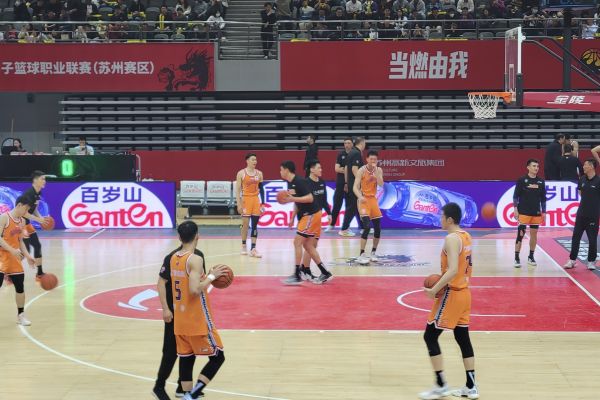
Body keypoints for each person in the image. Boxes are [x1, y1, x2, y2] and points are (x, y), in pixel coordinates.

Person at [158, 221, 228, 400]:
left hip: (180, 321)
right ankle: (194, 393)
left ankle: (187, 395)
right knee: (218, 357)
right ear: (197, 235)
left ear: (179, 237)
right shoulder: (195, 259)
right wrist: (212, 276)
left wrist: (205, 276)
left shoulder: (173, 258)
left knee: (186, 358)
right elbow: (195, 290)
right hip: (196, 319)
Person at [419, 202, 479, 400]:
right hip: (465, 294)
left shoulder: (451, 239)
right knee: (462, 338)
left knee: (430, 336)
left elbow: (452, 270)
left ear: (450, 219)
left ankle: (441, 385)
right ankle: (471, 387)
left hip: (452, 294)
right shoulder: (466, 236)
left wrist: (434, 289)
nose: (440, 219)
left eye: (442, 216)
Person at [155, 245, 205, 400]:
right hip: (174, 312)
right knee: (170, 352)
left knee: (189, 351)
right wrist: (165, 309)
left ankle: (182, 387)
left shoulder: (198, 256)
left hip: (190, 313)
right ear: (197, 236)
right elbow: (161, 283)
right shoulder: (172, 257)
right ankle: (159, 386)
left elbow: (198, 285)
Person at [279, 160, 333, 285]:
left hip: (311, 215)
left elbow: (310, 198)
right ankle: (324, 272)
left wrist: (292, 198)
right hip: (310, 215)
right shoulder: (291, 183)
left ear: (286, 170)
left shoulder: (299, 181)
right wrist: (292, 217)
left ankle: (297, 274)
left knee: (297, 242)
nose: (280, 172)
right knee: (308, 245)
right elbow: (296, 202)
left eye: (281, 170)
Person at [0, 195, 36, 326]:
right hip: (1, 256)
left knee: (20, 287)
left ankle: (21, 316)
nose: (26, 212)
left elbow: (20, 242)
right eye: (26, 209)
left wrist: (28, 256)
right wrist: (11, 250)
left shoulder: (22, 221)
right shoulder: (4, 218)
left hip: (14, 257)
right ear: (19, 205)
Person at [563, 156, 600, 271]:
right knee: (575, 237)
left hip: (593, 216)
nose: (583, 167)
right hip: (581, 214)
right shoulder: (582, 179)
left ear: (592, 166)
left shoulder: (598, 181)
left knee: (592, 240)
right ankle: (572, 260)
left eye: (585, 165)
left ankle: (591, 261)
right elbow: (580, 192)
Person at [512, 159, 546, 268]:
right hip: (523, 212)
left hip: (536, 213)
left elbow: (543, 198)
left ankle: (531, 256)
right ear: (528, 167)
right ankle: (516, 258)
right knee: (520, 235)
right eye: (534, 166)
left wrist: (544, 212)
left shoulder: (541, 181)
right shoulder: (522, 180)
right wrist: (515, 209)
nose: (536, 168)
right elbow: (515, 196)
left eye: (537, 166)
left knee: (534, 235)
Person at [354, 150, 384, 265]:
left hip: (373, 200)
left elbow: (381, 184)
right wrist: (360, 196)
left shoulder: (378, 170)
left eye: (375, 159)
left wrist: (377, 174)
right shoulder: (361, 170)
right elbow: (355, 187)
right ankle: (361, 254)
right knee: (366, 227)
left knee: (378, 228)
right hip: (364, 200)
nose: (373, 161)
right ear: (367, 159)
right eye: (371, 159)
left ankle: (373, 252)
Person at [23, 170, 51, 281]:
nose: (45, 181)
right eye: (42, 179)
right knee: (25, 251)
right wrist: (38, 219)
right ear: (35, 180)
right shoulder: (29, 194)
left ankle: (39, 273)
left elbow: (34, 210)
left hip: (27, 223)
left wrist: (41, 219)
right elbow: (23, 213)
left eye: (45, 179)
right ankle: (8, 273)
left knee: (37, 246)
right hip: (18, 224)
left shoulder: (38, 193)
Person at [235, 153, 265, 258]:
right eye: (253, 159)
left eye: (256, 160)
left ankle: (253, 248)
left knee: (255, 225)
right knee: (245, 225)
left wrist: (263, 203)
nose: (255, 162)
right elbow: (238, 190)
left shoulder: (259, 173)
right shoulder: (241, 173)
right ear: (247, 161)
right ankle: (244, 245)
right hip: (246, 200)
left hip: (255, 200)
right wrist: (238, 204)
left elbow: (262, 189)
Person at [339, 136, 366, 237]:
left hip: (351, 184)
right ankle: (344, 229)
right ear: (362, 143)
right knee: (352, 207)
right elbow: (355, 170)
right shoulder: (356, 153)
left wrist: (347, 182)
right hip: (355, 185)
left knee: (354, 206)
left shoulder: (351, 152)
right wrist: (361, 182)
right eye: (364, 143)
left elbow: (346, 169)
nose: (365, 145)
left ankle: (363, 227)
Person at [329, 137, 354, 232]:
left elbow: (355, 169)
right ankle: (332, 224)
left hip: (350, 183)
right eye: (345, 143)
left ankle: (346, 226)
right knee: (336, 204)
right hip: (340, 183)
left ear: (352, 144)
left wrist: (343, 169)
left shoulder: (355, 154)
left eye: (349, 143)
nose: (347, 145)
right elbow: (336, 169)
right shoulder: (341, 154)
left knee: (349, 205)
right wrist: (348, 170)